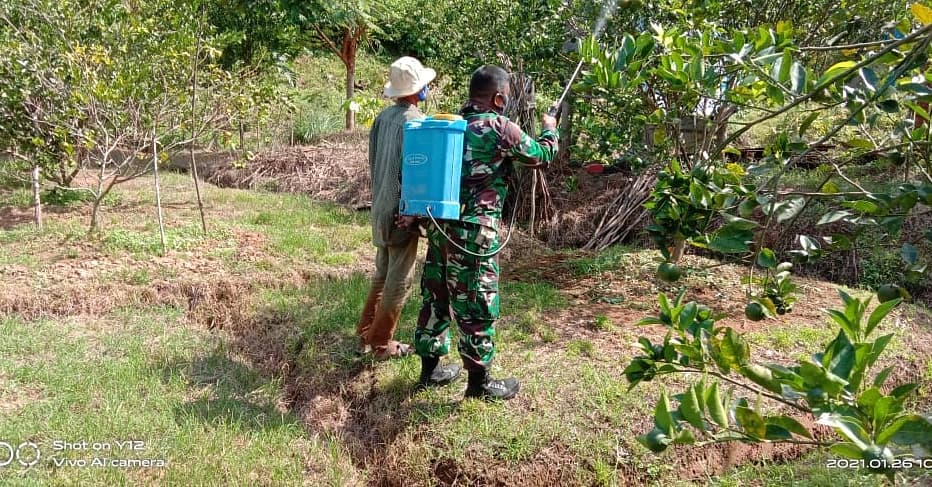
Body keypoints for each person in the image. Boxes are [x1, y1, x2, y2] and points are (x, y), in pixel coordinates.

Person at [413, 65, 559, 400]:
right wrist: (550, 130)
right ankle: (479, 386)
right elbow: (540, 155)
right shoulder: (498, 127)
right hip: (475, 234)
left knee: (437, 295)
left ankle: (430, 370)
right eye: (505, 97)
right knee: (477, 300)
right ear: (498, 97)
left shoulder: (448, 124)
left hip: (440, 226)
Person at [356, 56, 436, 360]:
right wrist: (414, 210)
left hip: (380, 207)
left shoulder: (382, 119)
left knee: (382, 272)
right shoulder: (416, 122)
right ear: (419, 89)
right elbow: (417, 173)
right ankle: (381, 343)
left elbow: (375, 162)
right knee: (399, 279)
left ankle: (366, 331)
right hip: (401, 213)